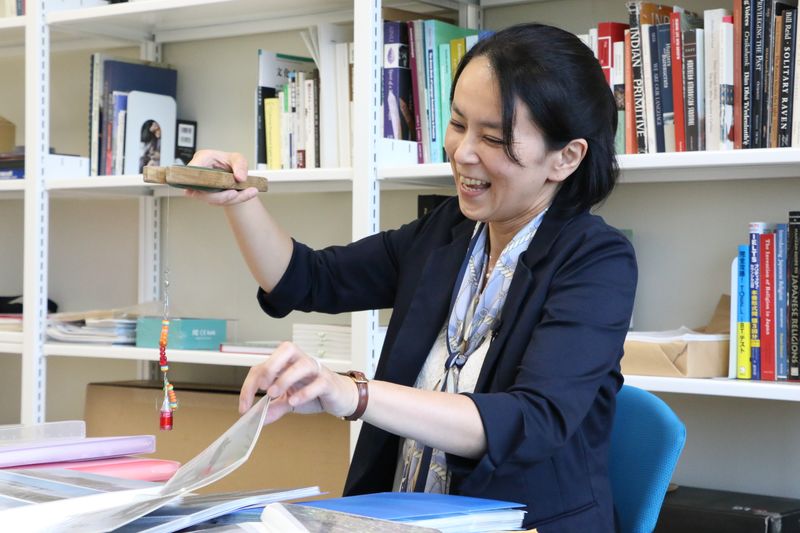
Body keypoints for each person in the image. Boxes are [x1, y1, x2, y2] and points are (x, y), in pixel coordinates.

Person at [187, 22, 636, 532]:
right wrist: (237, 197)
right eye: (458, 123)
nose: (463, 152)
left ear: (566, 157)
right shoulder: (447, 232)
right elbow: (307, 278)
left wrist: (353, 392)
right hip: (399, 518)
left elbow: (529, 420)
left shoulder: (598, 259)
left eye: (492, 137)